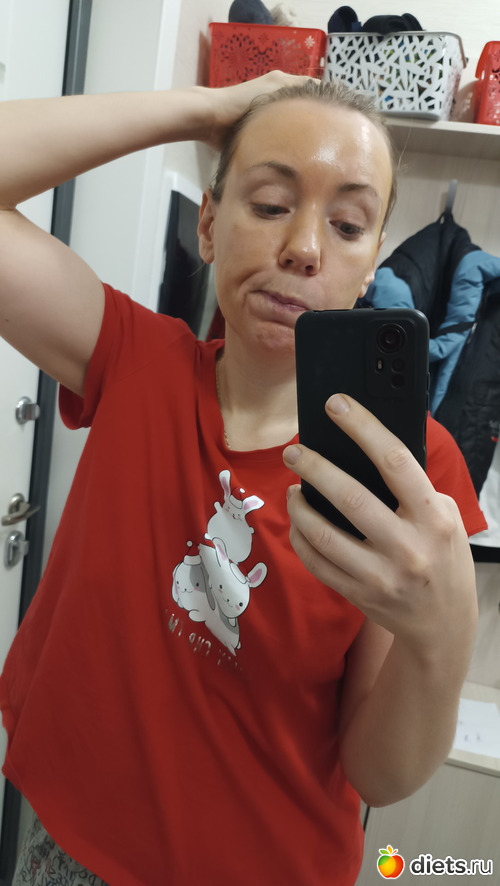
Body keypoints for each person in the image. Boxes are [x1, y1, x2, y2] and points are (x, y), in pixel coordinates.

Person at [0, 72, 486, 886]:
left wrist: (444, 636)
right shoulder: (133, 360)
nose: (304, 247)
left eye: (347, 225)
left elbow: (380, 772)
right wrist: (206, 107)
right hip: (69, 846)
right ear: (209, 225)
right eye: (268, 204)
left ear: (370, 265)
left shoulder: (413, 469)